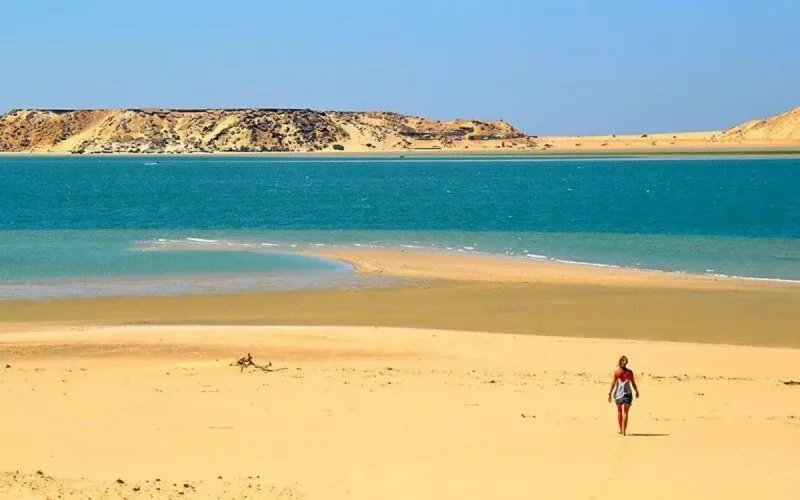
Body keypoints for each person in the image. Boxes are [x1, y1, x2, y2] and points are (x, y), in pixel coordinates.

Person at [608, 355, 639, 435]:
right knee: (625, 412)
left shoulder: (616, 372)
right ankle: (624, 431)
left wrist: (610, 393)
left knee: (619, 411)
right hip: (627, 394)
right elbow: (633, 383)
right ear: (626, 363)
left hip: (618, 394)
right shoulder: (630, 372)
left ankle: (620, 430)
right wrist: (636, 391)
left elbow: (613, 383)